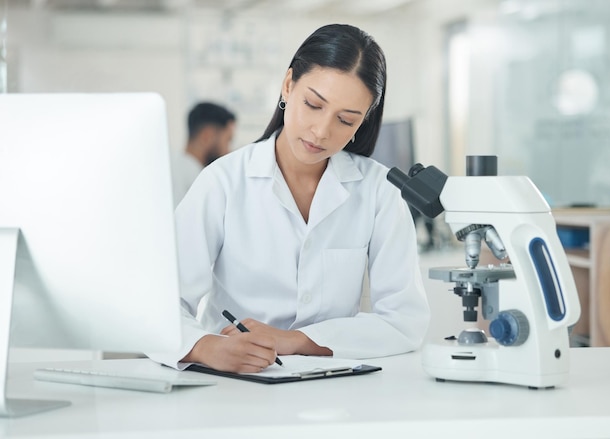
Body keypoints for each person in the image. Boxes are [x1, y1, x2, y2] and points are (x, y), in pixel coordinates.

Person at [150, 24, 430, 373]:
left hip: (334, 389)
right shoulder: (223, 182)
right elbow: (158, 306)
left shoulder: (378, 191)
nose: (322, 131)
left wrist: (297, 340)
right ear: (288, 86)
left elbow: (405, 321)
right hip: (234, 386)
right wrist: (205, 347)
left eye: (345, 120)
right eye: (313, 104)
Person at [170, 102, 236, 205]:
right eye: (228, 140)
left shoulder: (173, 168)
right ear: (207, 136)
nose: (229, 151)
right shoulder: (196, 182)